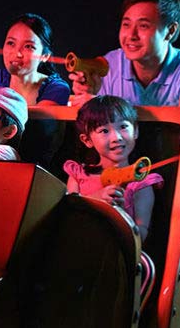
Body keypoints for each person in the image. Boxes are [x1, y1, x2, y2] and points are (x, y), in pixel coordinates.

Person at [69, 0, 180, 111]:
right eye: (126, 24)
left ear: (170, 31)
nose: (131, 35)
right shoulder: (110, 66)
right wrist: (88, 99)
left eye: (143, 26)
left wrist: (106, 108)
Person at [64, 95, 164, 240]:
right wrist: (95, 200)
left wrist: (120, 215)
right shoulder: (78, 175)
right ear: (87, 140)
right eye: (104, 131)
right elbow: (67, 216)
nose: (116, 137)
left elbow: (141, 236)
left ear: (135, 131)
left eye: (123, 127)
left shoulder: (141, 183)